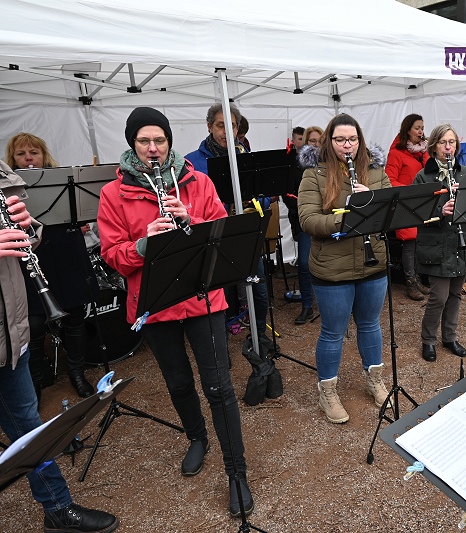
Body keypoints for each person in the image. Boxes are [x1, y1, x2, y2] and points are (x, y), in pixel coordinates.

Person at [97, 107, 254, 517]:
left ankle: (236, 471)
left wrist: (192, 221)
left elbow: (222, 230)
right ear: (132, 144)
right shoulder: (114, 193)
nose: (153, 148)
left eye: (160, 140)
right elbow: (112, 254)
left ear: (169, 141)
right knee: (179, 382)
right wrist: (143, 244)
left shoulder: (197, 181)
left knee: (218, 386)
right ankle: (197, 437)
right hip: (154, 303)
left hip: (202, 298)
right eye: (144, 141)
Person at [0, 159, 119, 532]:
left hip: (9, 334)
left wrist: (27, 227)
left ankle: (58, 508)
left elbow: (27, 238)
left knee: (31, 431)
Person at [298, 113, 391, 424]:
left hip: (372, 262)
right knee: (333, 331)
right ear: (329, 141)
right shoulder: (314, 174)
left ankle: (375, 380)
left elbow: (391, 211)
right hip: (332, 267)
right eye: (340, 140)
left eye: (352, 139)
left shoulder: (376, 170)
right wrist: (349, 216)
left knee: (370, 324)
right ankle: (327, 392)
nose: (347, 145)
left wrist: (373, 202)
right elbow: (308, 220)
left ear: (360, 141)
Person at [5, 133, 97, 400]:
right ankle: (35, 381)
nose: (29, 158)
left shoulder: (61, 180)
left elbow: (80, 211)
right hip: (31, 258)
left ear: (44, 155)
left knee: (75, 317)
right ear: (12, 158)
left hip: (66, 253)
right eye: (21, 154)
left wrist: (80, 219)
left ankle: (77, 373)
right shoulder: (6, 188)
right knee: (34, 324)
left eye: (34, 152)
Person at [185, 104, 270, 344]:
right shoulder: (191, 162)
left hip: (245, 236)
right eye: (220, 125)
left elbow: (265, 196)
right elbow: (190, 204)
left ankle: (259, 337)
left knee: (260, 292)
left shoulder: (246, 156)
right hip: (214, 238)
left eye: (231, 126)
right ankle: (219, 343)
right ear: (209, 127)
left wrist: (254, 200)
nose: (226, 131)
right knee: (218, 296)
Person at [413, 124, 466, 363]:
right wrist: (441, 210)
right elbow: (416, 214)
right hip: (437, 245)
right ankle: (428, 340)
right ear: (434, 147)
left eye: (452, 142)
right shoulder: (423, 177)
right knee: (438, 296)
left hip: (461, 243)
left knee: (455, 294)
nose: (448, 147)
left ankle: (449, 337)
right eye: (443, 142)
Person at [385, 113, 430, 301]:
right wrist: (409, 191)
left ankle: (417, 279)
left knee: (419, 241)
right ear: (407, 130)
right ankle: (410, 282)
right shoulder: (396, 153)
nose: (421, 131)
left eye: (422, 128)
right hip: (405, 203)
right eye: (417, 128)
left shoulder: (422, 152)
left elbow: (429, 173)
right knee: (409, 243)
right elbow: (389, 180)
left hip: (421, 203)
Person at [289, 126, 323, 325]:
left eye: (319, 140)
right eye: (312, 141)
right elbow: (289, 193)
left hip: (327, 220)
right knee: (303, 263)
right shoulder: (297, 164)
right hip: (305, 221)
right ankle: (307, 305)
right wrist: (304, 211)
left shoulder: (330, 163)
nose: (316, 144)